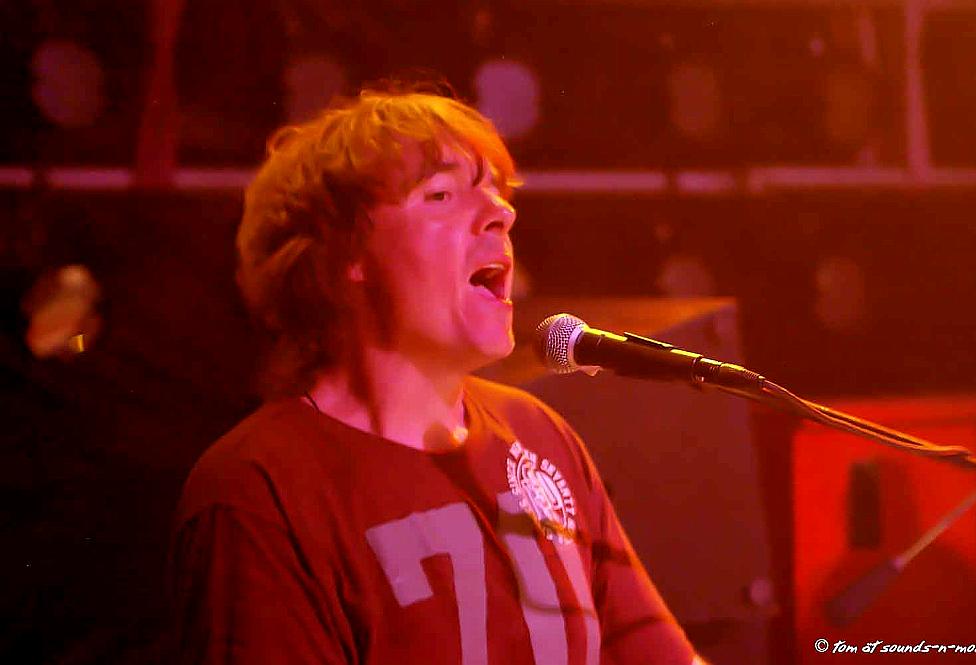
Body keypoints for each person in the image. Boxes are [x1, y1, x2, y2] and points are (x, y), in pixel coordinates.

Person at [169, 81, 704, 665]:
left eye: (497, 193)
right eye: (442, 194)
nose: (501, 212)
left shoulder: (537, 434)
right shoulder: (262, 490)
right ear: (344, 254)